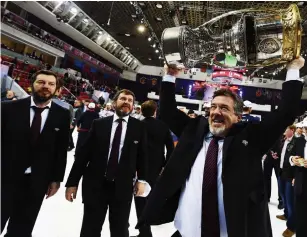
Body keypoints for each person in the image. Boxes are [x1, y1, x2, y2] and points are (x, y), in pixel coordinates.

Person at [136, 57, 305, 237]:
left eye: (224, 108)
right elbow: (167, 112)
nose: (216, 112)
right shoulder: (194, 131)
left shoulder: (252, 138)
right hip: (187, 231)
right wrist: (169, 76)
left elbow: (286, 113)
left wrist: (293, 70)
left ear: (238, 117)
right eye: (213, 107)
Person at [65, 89, 150, 237]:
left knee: (120, 230)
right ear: (115, 102)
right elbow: (83, 156)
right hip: (96, 185)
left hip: (122, 187)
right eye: (123, 99)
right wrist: (72, 182)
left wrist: (141, 180)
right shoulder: (99, 124)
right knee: (90, 229)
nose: (127, 102)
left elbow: (142, 156)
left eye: (130, 100)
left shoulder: (139, 127)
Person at [1, 70, 70, 237]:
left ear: (56, 89)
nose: (45, 86)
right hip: (5, 178)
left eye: (51, 84)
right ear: (32, 85)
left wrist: (56, 179)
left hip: (36, 182)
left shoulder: (62, 115)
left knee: (22, 229)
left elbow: (60, 150)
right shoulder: (8, 108)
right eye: (41, 82)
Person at [132, 100, 174, 237]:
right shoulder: (163, 126)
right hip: (157, 166)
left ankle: (145, 232)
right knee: (151, 198)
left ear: (142, 111)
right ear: (155, 111)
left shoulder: (138, 125)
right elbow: (170, 148)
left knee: (139, 198)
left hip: (138, 166)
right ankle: (147, 228)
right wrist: (166, 165)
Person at [289, 134, 307, 237]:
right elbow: (290, 155)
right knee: (300, 217)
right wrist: (292, 159)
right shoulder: (299, 140)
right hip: (300, 183)